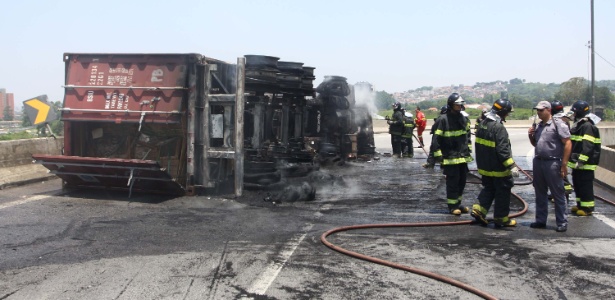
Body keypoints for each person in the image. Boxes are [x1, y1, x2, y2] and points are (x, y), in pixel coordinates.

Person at [471, 99, 517, 227]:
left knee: (489, 188)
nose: (507, 115)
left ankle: (479, 210)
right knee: (503, 191)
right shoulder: (498, 127)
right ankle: (501, 219)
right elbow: (502, 150)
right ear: (502, 112)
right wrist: (511, 166)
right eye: (507, 113)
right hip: (498, 168)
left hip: (485, 167)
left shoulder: (483, 124)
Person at [528, 101, 572, 232]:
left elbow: (568, 143)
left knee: (558, 193)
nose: (538, 113)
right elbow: (536, 144)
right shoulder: (539, 126)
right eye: (537, 110)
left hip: (552, 162)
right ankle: (540, 220)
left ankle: (562, 222)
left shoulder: (558, 124)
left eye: (541, 110)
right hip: (539, 161)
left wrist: (564, 164)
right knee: (540, 192)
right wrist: (530, 135)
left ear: (548, 110)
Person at [428, 93, 473, 215]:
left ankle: (458, 203)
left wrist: (468, 150)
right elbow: (436, 140)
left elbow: (466, 137)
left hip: (462, 157)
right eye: (457, 105)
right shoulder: (443, 119)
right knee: (453, 182)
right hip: (450, 157)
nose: (459, 107)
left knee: (462, 181)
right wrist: (435, 158)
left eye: (460, 105)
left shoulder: (462, 118)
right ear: (451, 105)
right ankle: (452, 206)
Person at [567, 100, 602, 216]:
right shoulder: (580, 125)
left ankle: (587, 208)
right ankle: (580, 205)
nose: (573, 114)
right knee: (577, 184)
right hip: (578, 163)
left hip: (585, 164)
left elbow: (588, 146)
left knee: (585, 186)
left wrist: (582, 160)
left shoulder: (587, 126)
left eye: (575, 112)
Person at [550, 100, 573, 202]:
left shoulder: (558, 120)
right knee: (560, 174)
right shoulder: (565, 119)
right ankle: (562, 193)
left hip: (559, 152)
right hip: (562, 151)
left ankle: (562, 194)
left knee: (560, 174)